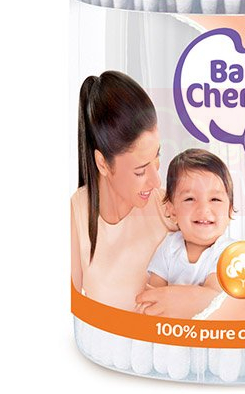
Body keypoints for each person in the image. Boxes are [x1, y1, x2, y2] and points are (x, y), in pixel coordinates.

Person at [71, 71, 220, 316]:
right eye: (140, 170)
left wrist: (193, 298)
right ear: (103, 164)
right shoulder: (76, 214)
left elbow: (232, 283)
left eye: (157, 156)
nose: (156, 180)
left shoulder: (170, 208)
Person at [145, 149, 235, 299]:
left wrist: (167, 297)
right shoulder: (169, 247)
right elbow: (152, 294)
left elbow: (212, 299)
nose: (204, 209)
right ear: (172, 211)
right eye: (190, 199)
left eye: (215, 199)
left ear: (230, 210)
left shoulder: (229, 252)